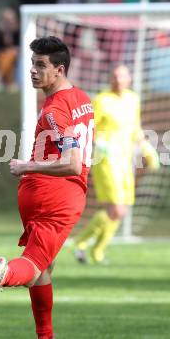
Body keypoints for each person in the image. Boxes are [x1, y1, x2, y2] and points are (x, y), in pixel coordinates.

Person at [0, 36, 94, 339]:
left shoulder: (55, 108)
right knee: (34, 264)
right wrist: (30, 166)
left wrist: (27, 165)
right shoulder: (80, 99)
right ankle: (4, 274)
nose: (33, 71)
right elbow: (75, 164)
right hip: (59, 195)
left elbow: (71, 161)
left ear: (59, 69)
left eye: (40, 65)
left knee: (43, 268)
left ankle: (45, 335)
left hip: (45, 190)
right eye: (32, 64)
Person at [73, 63, 160, 264]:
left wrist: (147, 148)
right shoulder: (102, 100)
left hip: (125, 159)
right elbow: (89, 127)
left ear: (129, 78)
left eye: (122, 76)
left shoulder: (132, 99)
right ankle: (80, 243)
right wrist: (101, 143)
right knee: (117, 208)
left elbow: (135, 128)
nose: (118, 80)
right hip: (106, 159)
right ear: (109, 79)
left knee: (122, 209)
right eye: (114, 76)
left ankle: (96, 252)